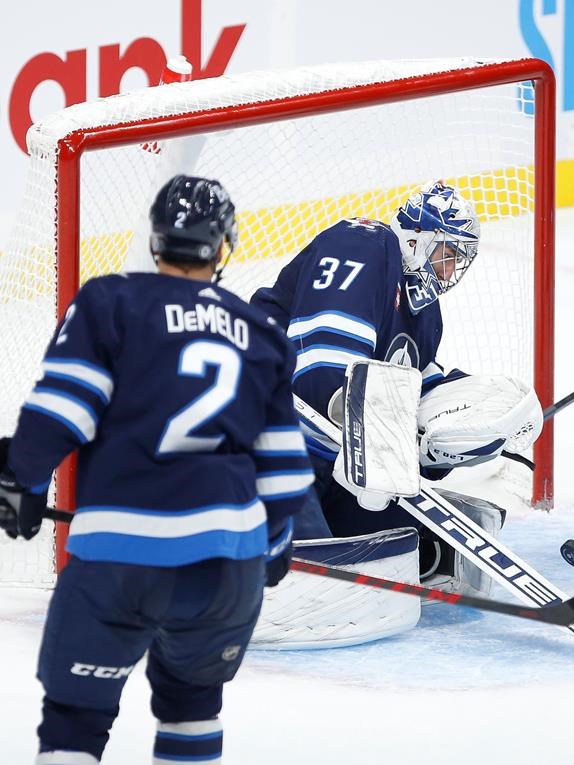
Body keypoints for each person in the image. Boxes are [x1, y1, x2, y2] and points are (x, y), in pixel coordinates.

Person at [0, 175, 313, 762]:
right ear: (224, 246)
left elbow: (60, 410)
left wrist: (22, 481)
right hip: (226, 566)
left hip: (119, 558)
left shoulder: (110, 301)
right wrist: (271, 550)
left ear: (157, 241)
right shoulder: (261, 334)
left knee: (75, 719)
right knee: (194, 705)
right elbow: (286, 479)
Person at [250, 180, 543, 584]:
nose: (449, 271)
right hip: (263, 434)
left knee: (417, 543)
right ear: (416, 239)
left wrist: (449, 437)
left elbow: (420, 397)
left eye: (458, 261)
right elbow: (320, 382)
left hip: (327, 457)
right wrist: (379, 439)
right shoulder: (363, 244)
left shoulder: (425, 315)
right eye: (446, 255)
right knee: (314, 572)